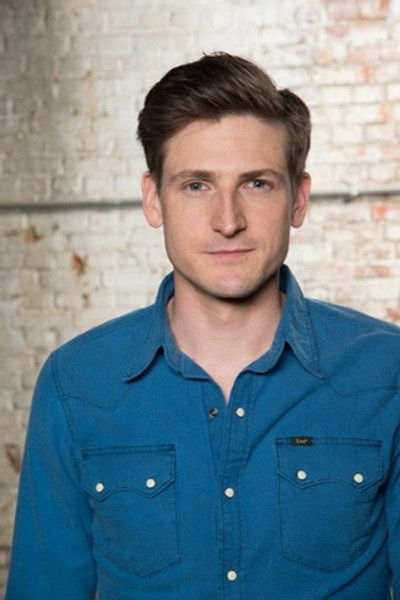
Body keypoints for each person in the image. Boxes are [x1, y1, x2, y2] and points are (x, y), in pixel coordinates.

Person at [5, 52, 400, 600]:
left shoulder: (387, 372)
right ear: (153, 199)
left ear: (299, 199)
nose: (227, 220)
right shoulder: (76, 384)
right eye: (196, 185)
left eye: (256, 184)